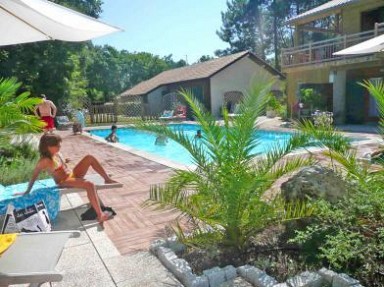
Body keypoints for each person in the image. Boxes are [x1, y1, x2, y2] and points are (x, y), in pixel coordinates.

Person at [20, 133, 117, 224]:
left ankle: (107, 178)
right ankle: (100, 214)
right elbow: (35, 175)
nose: (60, 147)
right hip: (64, 181)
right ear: (48, 147)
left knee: (89, 157)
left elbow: (61, 164)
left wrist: (65, 161)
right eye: (57, 146)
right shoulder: (44, 161)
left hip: (72, 175)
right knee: (90, 184)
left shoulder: (56, 154)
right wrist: (28, 190)